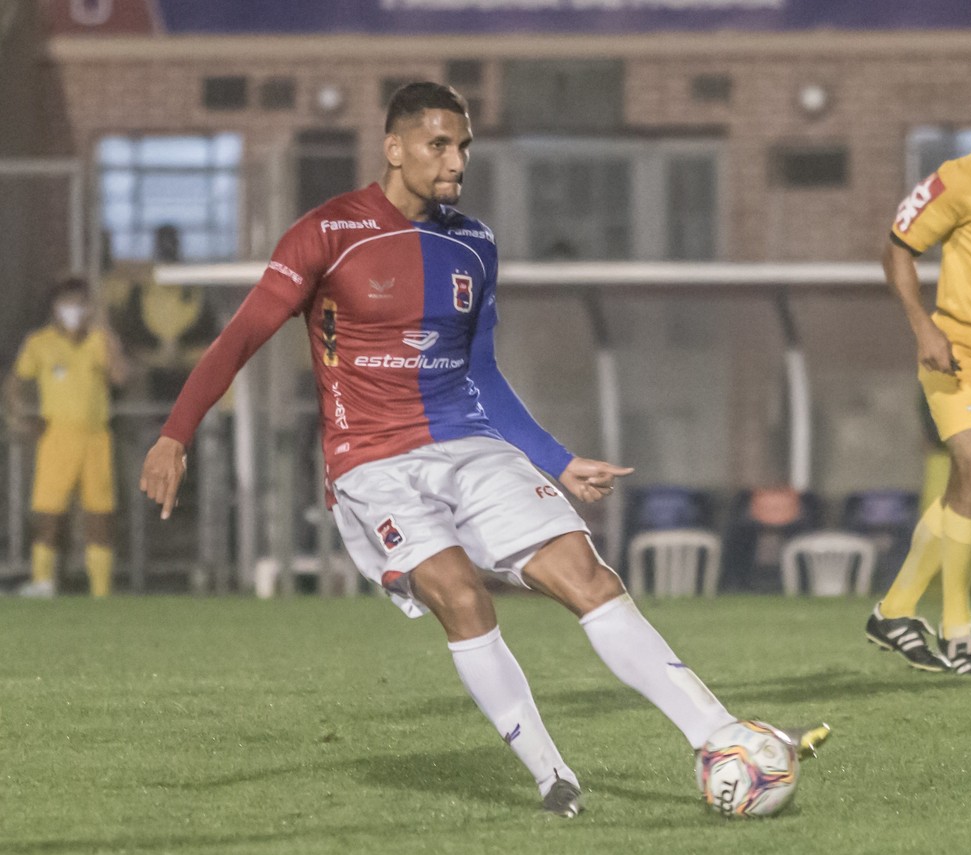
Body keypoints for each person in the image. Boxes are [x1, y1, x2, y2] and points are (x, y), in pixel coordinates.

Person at [140, 82, 829, 816]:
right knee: (462, 597)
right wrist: (176, 434)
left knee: (588, 577)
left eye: (463, 145)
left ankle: (717, 733)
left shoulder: (473, 242)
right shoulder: (327, 232)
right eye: (439, 144)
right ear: (394, 148)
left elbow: (481, 373)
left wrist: (557, 459)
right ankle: (550, 774)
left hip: (468, 445)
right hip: (371, 462)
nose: (455, 160)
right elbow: (241, 336)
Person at [865, 147, 971, 674]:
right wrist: (922, 325)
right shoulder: (961, 177)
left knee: (969, 486)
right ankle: (960, 634)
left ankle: (893, 613)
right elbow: (896, 248)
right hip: (957, 351)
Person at [4, 277, 128, 598]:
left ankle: (101, 590)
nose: (74, 310)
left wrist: (107, 331)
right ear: (55, 307)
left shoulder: (99, 341)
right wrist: (20, 417)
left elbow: (120, 376)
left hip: (96, 437)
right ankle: (43, 580)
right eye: (68, 302)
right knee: (49, 512)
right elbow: (14, 383)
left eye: (80, 303)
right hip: (57, 436)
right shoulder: (39, 343)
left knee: (99, 515)